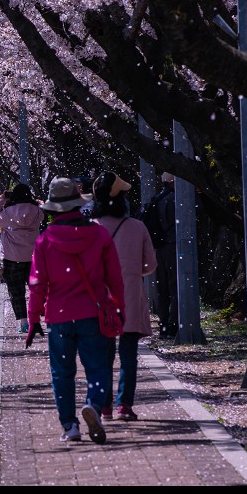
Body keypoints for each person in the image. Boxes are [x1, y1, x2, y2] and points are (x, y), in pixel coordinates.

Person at [25, 176, 125, 445]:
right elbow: (115, 278)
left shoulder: (44, 240)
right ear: (77, 205)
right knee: (98, 368)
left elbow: (37, 285)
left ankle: (70, 426)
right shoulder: (100, 234)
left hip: (58, 317)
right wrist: (119, 307)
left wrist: (33, 319)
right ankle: (93, 404)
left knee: (62, 374)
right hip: (92, 313)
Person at [89, 171, 157, 422]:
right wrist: (130, 272)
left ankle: (104, 406)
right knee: (128, 354)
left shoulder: (92, 229)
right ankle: (124, 405)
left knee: (104, 355)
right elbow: (151, 264)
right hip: (129, 298)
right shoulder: (137, 227)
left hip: (100, 300)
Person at [0, 182, 43, 333]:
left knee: (16, 291)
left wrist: (0, 199)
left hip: (12, 258)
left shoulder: (7, 213)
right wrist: (37, 202)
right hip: (33, 257)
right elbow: (45, 210)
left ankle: (23, 323)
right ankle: (36, 317)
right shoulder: (37, 211)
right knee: (35, 289)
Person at [144, 172, 177, 338]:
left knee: (162, 289)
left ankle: (164, 323)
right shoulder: (176, 199)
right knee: (176, 286)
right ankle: (175, 323)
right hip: (174, 246)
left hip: (159, 247)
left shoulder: (155, 200)